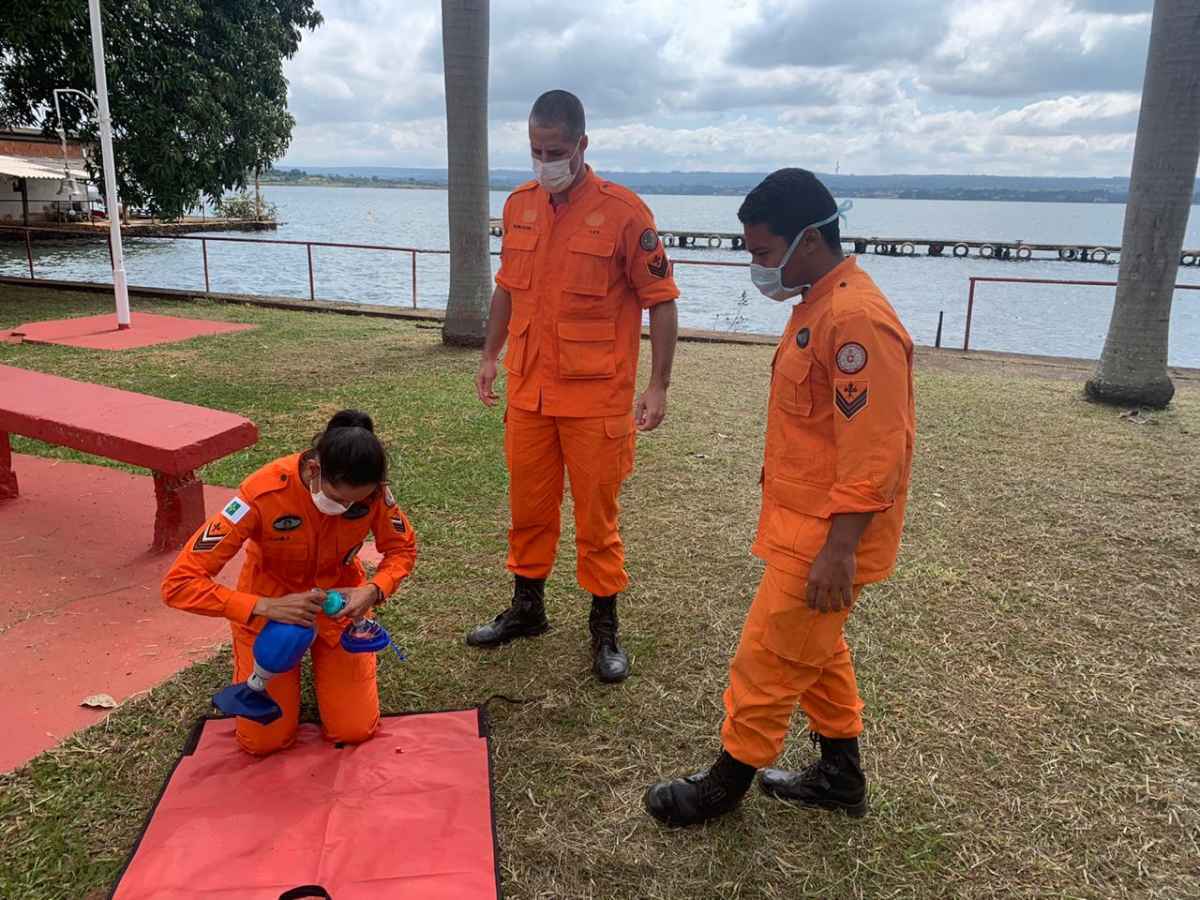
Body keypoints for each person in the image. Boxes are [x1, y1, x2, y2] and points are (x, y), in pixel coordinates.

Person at [644, 169, 915, 825]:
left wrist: (839, 551)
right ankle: (840, 777)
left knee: (767, 658)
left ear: (810, 241)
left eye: (764, 253)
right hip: (803, 526)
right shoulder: (820, 303)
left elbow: (878, 449)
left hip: (826, 537)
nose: (756, 266)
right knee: (816, 653)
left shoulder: (853, 320)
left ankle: (723, 786)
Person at [470, 89, 680, 684]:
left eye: (555, 150)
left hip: (597, 400)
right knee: (529, 510)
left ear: (583, 145)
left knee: (597, 520)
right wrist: (490, 356)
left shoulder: (625, 214)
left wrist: (658, 386)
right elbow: (508, 288)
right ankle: (527, 608)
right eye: (536, 150)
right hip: (530, 392)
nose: (545, 161)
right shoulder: (519, 205)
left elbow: (661, 303)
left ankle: (603, 626)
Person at [162, 410, 416, 755]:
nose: (348, 508)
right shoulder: (261, 494)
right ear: (314, 471)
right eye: (339, 499)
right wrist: (264, 606)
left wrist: (372, 590)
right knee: (263, 741)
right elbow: (179, 583)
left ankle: (330, 672)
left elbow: (402, 549)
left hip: (336, 611)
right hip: (270, 610)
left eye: (357, 503)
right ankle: (274, 666)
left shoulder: (371, 493)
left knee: (354, 729)